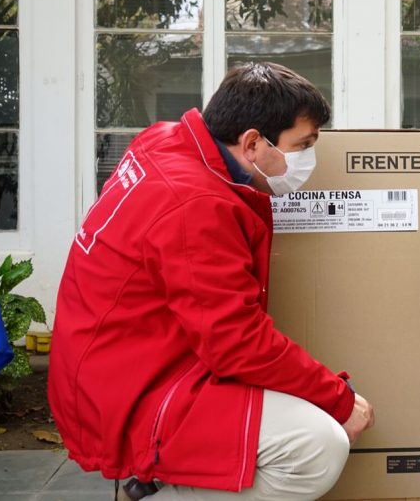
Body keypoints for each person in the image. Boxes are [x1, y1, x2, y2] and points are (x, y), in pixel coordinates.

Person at [48, 62, 375, 501]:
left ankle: (154, 482)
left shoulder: (168, 143)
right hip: (134, 388)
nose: (308, 159)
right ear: (253, 142)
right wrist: (335, 397)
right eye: (303, 145)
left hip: (123, 360)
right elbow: (235, 341)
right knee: (317, 446)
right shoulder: (196, 204)